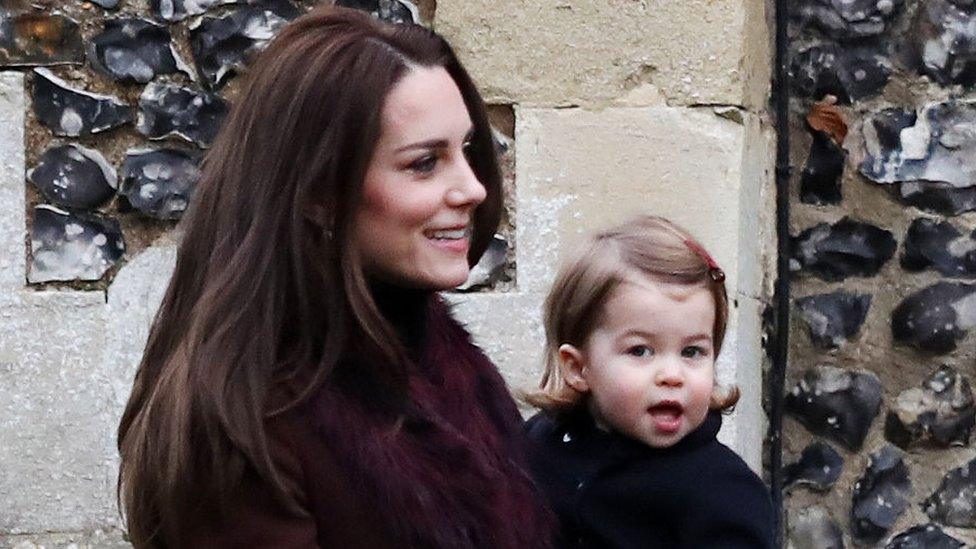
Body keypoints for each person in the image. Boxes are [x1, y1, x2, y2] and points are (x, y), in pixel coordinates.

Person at [116, 6, 552, 548]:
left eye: (464, 151)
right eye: (424, 163)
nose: (473, 189)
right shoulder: (243, 425)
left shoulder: (443, 361)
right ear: (320, 194)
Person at [524, 215, 776, 548]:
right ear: (577, 367)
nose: (672, 375)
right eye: (641, 351)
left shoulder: (722, 492)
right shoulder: (538, 445)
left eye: (692, 351)